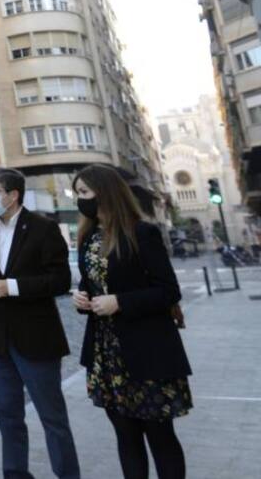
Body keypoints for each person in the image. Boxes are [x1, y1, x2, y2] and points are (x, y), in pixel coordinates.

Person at [72, 165, 191, 479]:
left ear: (105, 192)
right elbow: (94, 283)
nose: (79, 199)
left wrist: (120, 302)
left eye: (84, 192)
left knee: (160, 436)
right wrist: (82, 298)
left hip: (147, 351)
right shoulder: (88, 237)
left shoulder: (142, 233)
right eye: (77, 193)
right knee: (126, 436)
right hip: (107, 354)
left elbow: (168, 291)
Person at [0, 168, 79, 479]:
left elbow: (60, 280)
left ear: (13, 195)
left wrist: (12, 287)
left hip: (37, 339)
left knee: (52, 418)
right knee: (8, 416)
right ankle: (15, 473)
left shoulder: (43, 229)